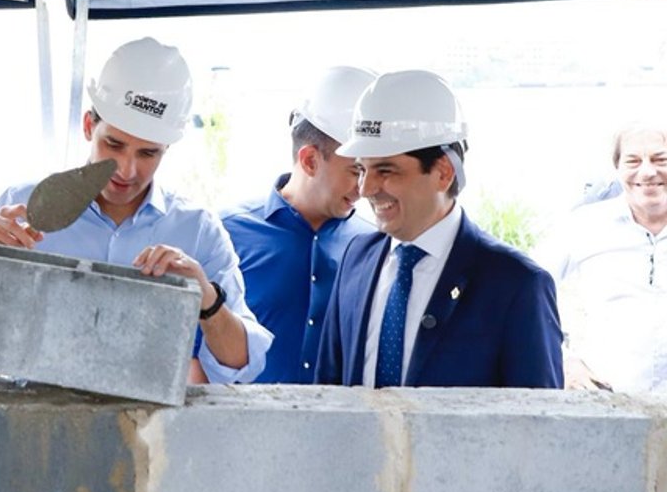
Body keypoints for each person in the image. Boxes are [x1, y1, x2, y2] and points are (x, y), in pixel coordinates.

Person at [0, 37, 270, 384]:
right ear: (89, 126)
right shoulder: (22, 206)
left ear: (167, 148)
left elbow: (241, 364)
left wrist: (206, 298)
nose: (126, 170)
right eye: (114, 144)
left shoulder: (198, 230)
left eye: (148, 153)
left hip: (151, 421)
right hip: (33, 415)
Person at [315, 70, 563, 388]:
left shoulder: (517, 284)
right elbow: (328, 392)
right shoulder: (357, 259)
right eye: (362, 169)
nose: (365, 189)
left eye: (386, 170)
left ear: (443, 172)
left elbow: (538, 413)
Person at [222, 67, 376, 383]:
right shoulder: (226, 234)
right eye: (356, 171)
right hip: (240, 415)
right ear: (309, 160)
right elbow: (194, 356)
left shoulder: (375, 246)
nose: (365, 188)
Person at [535, 123, 667, 392]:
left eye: (660, 159)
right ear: (617, 168)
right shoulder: (585, 225)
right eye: (633, 161)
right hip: (606, 399)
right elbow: (525, 291)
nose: (647, 171)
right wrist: (562, 360)